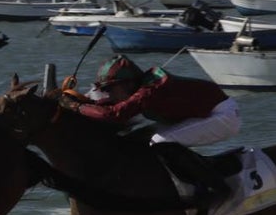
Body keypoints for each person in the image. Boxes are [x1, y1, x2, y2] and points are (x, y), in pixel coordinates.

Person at [61, 54, 240, 198]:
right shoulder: (136, 88)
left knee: (160, 142)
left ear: (129, 83)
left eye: (109, 89)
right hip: (202, 114)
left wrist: (76, 107)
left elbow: (114, 114)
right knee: (135, 139)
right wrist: (78, 101)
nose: (107, 94)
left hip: (222, 115)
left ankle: (218, 188)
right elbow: (107, 107)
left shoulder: (150, 90)